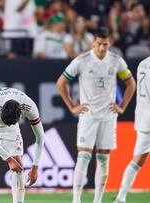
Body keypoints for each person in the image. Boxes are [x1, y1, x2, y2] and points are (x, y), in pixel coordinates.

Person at [56, 27, 136, 203]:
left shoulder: (116, 61)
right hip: (88, 115)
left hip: (108, 116)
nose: (102, 48)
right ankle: (76, 200)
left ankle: (97, 200)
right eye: (99, 44)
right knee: (83, 157)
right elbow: (61, 82)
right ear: (94, 42)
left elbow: (131, 84)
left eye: (105, 44)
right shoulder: (82, 60)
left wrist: (122, 106)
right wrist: (72, 106)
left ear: (110, 43)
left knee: (103, 160)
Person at [0, 87, 44, 203]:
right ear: (1, 111)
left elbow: (40, 137)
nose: (6, 125)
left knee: (18, 164)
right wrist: (8, 159)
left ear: (20, 115)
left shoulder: (29, 106)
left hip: (11, 131)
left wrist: (35, 166)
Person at [114, 56, 150, 203]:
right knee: (138, 160)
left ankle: (121, 197)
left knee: (138, 160)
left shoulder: (143, 63)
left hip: (144, 117)